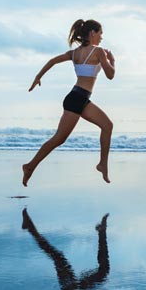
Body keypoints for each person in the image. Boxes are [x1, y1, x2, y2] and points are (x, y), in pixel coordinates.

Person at [22, 19, 116, 187]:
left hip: (78, 98)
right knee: (59, 138)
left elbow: (52, 61)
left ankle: (102, 164)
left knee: (107, 126)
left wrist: (38, 77)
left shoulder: (74, 53)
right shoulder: (99, 52)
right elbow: (110, 75)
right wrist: (112, 61)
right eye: (100, 33)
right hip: (78, 99)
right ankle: (30, 166)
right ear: (92, 33)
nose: (101, 37)